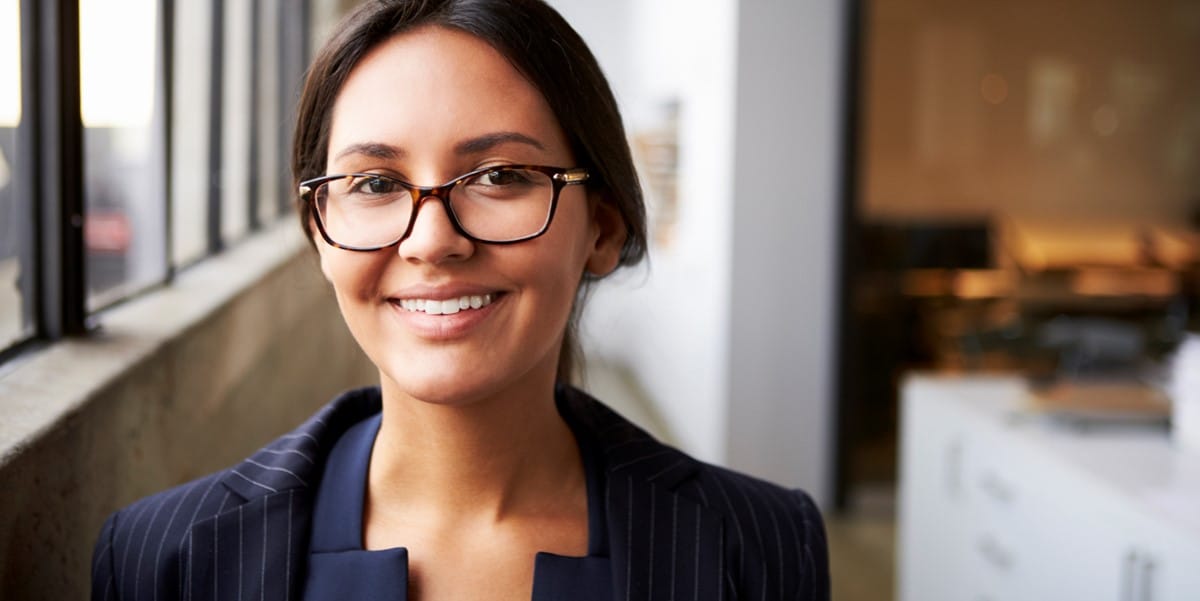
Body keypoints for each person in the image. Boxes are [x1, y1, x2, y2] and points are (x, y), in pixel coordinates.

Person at [90, 1, 830, 599]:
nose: (432, 240)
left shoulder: (761, 550)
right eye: (375, 183)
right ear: (319, 232)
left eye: (500, 176)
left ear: (602, 228)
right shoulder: (164, 561)